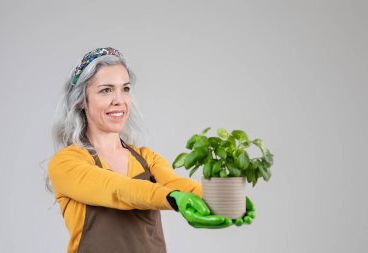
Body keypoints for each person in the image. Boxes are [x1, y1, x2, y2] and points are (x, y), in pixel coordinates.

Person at [47, 47, 255, 253]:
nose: (119, 100)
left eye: (125, 88)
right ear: (82, 100)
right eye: (106, 90)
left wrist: (219, 199)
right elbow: (119, 190)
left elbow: (176, 184)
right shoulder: (65, 163)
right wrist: (174, 199)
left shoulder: (146, 158)